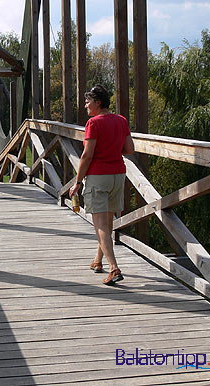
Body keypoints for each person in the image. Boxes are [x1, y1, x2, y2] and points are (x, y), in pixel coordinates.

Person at [69, 85, 135, 286]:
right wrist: (111, 149)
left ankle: (114, 268)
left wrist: (77, 182)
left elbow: (87, 155)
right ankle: (98, 261)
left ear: (98, 102)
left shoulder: (93, 123)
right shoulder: (121, 120)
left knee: (99, 226)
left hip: (98, 177)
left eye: (88, 101)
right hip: (118, 176)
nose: (85, 106)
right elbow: (129, 149)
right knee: (107, 222)